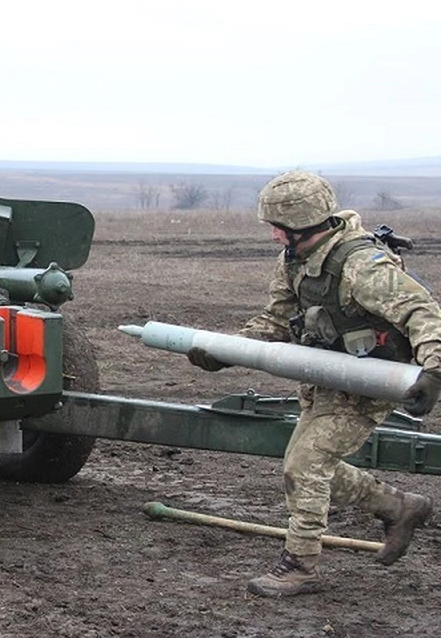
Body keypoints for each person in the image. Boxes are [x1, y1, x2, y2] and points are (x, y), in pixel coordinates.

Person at [188, 169, 439, 597]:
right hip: (326, 378)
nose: (273, 236)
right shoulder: (295, 260)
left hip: (369, 383)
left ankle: (299, 565)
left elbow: (422, 311)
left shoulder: (362, 266)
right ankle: (400, 507)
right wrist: (226, 350)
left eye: (278, 227)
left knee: (306, 465)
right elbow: (275, 320)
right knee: (305, 466)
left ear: (302, 225)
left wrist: (434, 371)